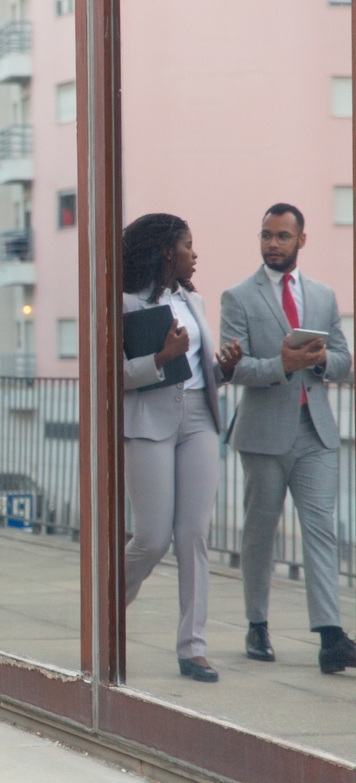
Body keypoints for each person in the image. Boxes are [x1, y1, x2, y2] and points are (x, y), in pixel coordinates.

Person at [220, 203, 356, 674]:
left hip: (315, 431)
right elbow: (233, 368)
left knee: (321, 531)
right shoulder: (238, 296)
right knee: (260, 534)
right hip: (262, 436)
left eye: (281, 236)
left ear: (301, 240)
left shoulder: (322, 295)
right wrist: (283, 366)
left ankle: (331, 637)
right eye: (265, 235)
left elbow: (344, 360)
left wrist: (319, 363)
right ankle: (257, 623)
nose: (272, 244)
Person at [121, 213, 242, 683]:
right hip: (149, 419)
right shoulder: (127, 302)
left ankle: (193, 648)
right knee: (152, 537)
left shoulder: (192, 299)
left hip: (199, 419)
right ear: (167, 251)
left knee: (193, 535)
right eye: (188, 246)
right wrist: (160, 359)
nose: (196, 254)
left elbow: (199, 368)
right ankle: (106, 613)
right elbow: (114, 373)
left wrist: (224, 369)